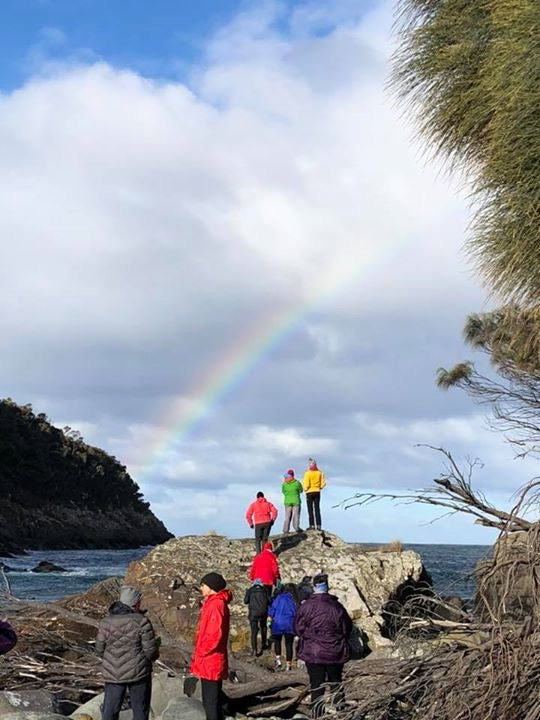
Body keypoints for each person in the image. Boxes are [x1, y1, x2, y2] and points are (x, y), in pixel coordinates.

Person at [95, 585, 159, 720]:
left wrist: (109, 660)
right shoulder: (141, 621)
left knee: (110, 711)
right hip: (139, 673)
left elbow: (99, 649)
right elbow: (150, 651)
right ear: (135, 603)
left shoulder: (106, 622)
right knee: (140, 711)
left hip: (113, 673)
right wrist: (154, 655)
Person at [294, 573, 352, 718]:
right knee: (336, 683)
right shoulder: (337, 606)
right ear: (327, 587)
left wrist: (309, 636)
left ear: (314, 587)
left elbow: (297, 628)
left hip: (313, 651)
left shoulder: (306, 606)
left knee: (316, 686)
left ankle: (318, 715)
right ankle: (341, 713)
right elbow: (347, 628)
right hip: (334, 650)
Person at [190, 572, 232, 720]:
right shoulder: (213, 603)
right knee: (213, 701)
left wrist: (200, 652)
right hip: (211, 660)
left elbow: (214, 636)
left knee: (210, 703)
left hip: (211, 660)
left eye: (203, 585)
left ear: (211, 587)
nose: (201, 588)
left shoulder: (216, 605)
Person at [267, 583, 299, 671]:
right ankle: (289, 664)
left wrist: (269, 620)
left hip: (278, 623)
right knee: (289, 644)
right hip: (289, 623)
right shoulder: (293, 600)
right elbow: (296, 612)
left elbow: (272, 609)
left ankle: (278, 660)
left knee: (277, 641)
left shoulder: (278, 598)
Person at [244, 578, 269, 656]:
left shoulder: (250, 590)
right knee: (263, 627)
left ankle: (254, 649)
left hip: (253, 613)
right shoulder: (265, 590)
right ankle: (264, 644)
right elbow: (269, 600)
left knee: (254, 631)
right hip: (263, 612)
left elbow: (245, 601)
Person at [303, 459, 326, 531]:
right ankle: (319, 525)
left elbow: (306, 483)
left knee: (310, 509)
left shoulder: (307, 473)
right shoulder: (320, 473)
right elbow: (323, 482)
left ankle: (312, 525)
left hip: (309, 492)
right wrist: (320, 487)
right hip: (317, 491)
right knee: (317, 509)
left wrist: (305, 489)